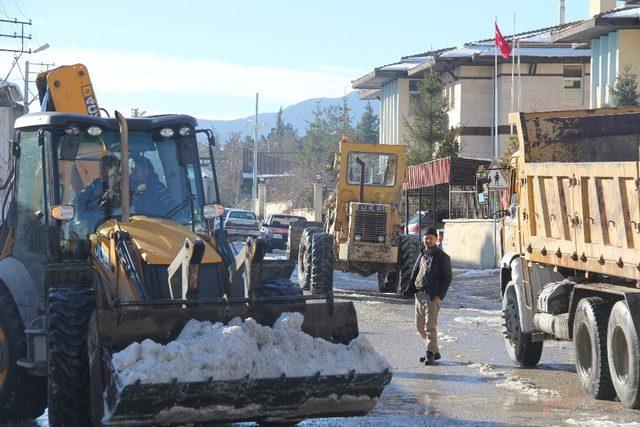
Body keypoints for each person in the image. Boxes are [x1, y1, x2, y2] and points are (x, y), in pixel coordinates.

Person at [403, 226, 453, 365]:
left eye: (430, 238)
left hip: (432, 296)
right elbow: (414, 274)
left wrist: (439, 296)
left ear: (436, 239)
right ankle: (434, 350)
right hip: (419, 295)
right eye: (426, 238)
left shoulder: (443, 257)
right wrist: (409, 290)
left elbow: (448, 278)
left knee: (430, 327)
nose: (428, 240)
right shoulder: (422, 254)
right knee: (419, 326)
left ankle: (430, 354)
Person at [72, 155, 120, 231]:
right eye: (100, 168)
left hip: (119, 226)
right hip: (95, 226)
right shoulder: (95, 184)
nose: (100, 172)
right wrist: (80, 219)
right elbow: (76, 201)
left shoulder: (126, 187)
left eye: (104, 168)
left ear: (115, 169)